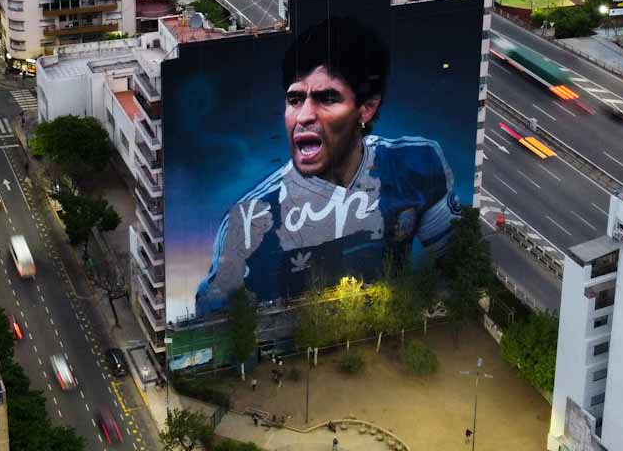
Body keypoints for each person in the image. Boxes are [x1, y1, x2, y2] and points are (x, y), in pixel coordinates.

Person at [194, 16, 458, 316]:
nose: (304, 115)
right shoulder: (250, 219)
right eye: (295, 99)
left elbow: (457, 264)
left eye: (327, 98)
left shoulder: (416, 164)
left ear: (366, 108)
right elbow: (211, 323)